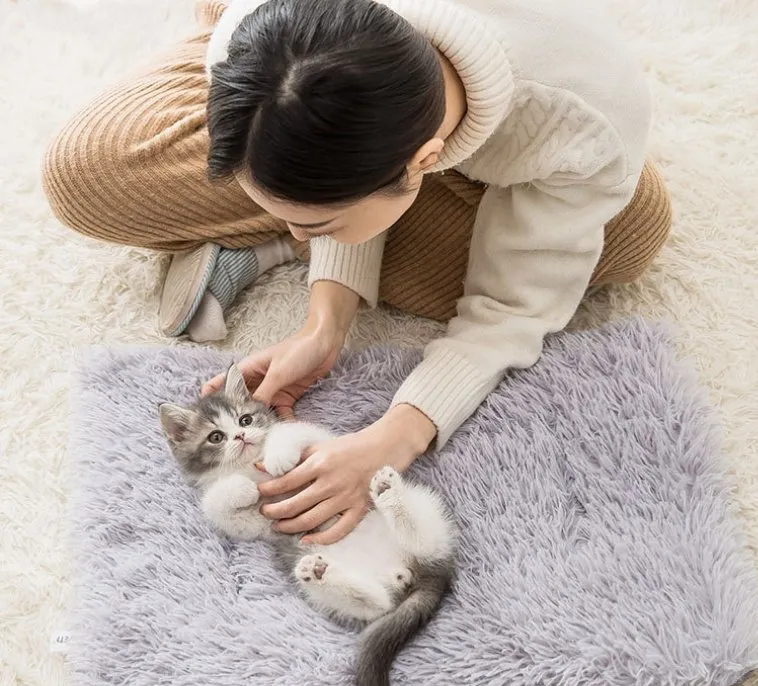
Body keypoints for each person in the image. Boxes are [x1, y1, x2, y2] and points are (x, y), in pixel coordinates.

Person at [42, 0, 671, 544]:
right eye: (279, 217)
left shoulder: (582, 120)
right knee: (86, 175)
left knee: (631, 234)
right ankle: (310, 211)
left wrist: (400, 433)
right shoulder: (252, 34)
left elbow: (512, 310)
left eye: (310, 226)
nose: (295, 232)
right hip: (284, 61)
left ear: (424, 163)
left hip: (529, 118)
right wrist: (326, 318)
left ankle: (294, 227)